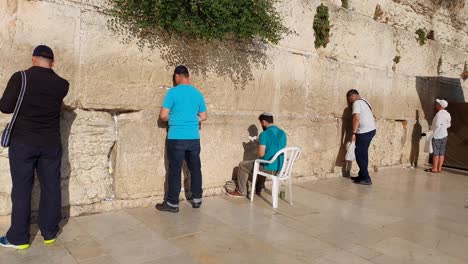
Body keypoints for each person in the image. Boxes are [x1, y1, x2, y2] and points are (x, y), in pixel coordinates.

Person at [0, 45, 69, 249]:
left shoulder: (20, 77)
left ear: (33, 59)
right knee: (51, 187)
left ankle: (19, 238)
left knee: (22, 189)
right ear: (53, 63)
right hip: (51, 144)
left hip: (23, 143)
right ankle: (49, 232)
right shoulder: (62, 84)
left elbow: (5, 107)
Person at [156, 65, 207, 213]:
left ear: (177, 76)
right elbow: (203, 117)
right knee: (195, 169)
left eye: (174, 77)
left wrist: (175, 118)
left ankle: (172, 203)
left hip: (176, 137)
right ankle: (197, 199)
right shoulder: (198, 94)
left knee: (174, 170)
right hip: (193, 138)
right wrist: (190, 119)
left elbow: (163, 116)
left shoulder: (172, 92)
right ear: (188, 76)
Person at [226, 112, 287, 198]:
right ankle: (260, 187)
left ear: (263, 122)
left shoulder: (264, 134)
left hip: (270, 167)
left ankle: (241, 191)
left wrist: (258, 144)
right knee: (262, 163)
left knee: (243, 165)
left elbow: (261, 154)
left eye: (261, 123)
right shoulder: (282, 133)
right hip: (281, 167)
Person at [346, 89, 376, 185]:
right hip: (370, 130)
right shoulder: (365, 101)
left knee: (359, 153)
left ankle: (366, 178)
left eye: (349, 99)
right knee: (363, 153)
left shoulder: (357, 103)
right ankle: (362, 175)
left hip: (364, 132)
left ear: (352, 96)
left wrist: (353, 133)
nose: (350, 102)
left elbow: (356, 118)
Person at [425, 99, 451, 173]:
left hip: (437, 135)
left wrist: (431, 128)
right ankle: (439, 168)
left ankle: (434, 168)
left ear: (440, 106)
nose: (436, 104)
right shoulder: (447, 114)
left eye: (438, 103)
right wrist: (443, 127)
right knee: (442, 152)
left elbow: (436, 125)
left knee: (436, 152)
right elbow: (449, 125)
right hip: (444, 135)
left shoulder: (438, 114)